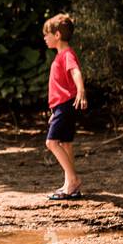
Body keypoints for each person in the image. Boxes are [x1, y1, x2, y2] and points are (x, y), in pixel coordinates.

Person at [42, 13, 87, 200]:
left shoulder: (66, 55)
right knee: (66, 143)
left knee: (51, 143)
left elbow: (75, 71)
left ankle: (73, 179)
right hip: (62, 106)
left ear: (57, 35)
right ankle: (70, 184)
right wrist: (55, 112)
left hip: (65, 105)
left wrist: (81, 90)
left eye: (47, 34)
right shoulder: (61, 55)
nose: (45, 38)